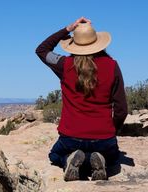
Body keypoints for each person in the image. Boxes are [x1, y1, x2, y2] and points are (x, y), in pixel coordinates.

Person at [35, 17, 128, 181]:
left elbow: (42, 50)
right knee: (114, 158)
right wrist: (112, 131)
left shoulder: (64, 64)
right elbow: (121, 109)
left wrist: (67, 29)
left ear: (74, 44)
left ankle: (69, 159)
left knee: (55, 155)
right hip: (103, 137)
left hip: (71, 137)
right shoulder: (112, 66)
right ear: (99, 43)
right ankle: (99, 158)